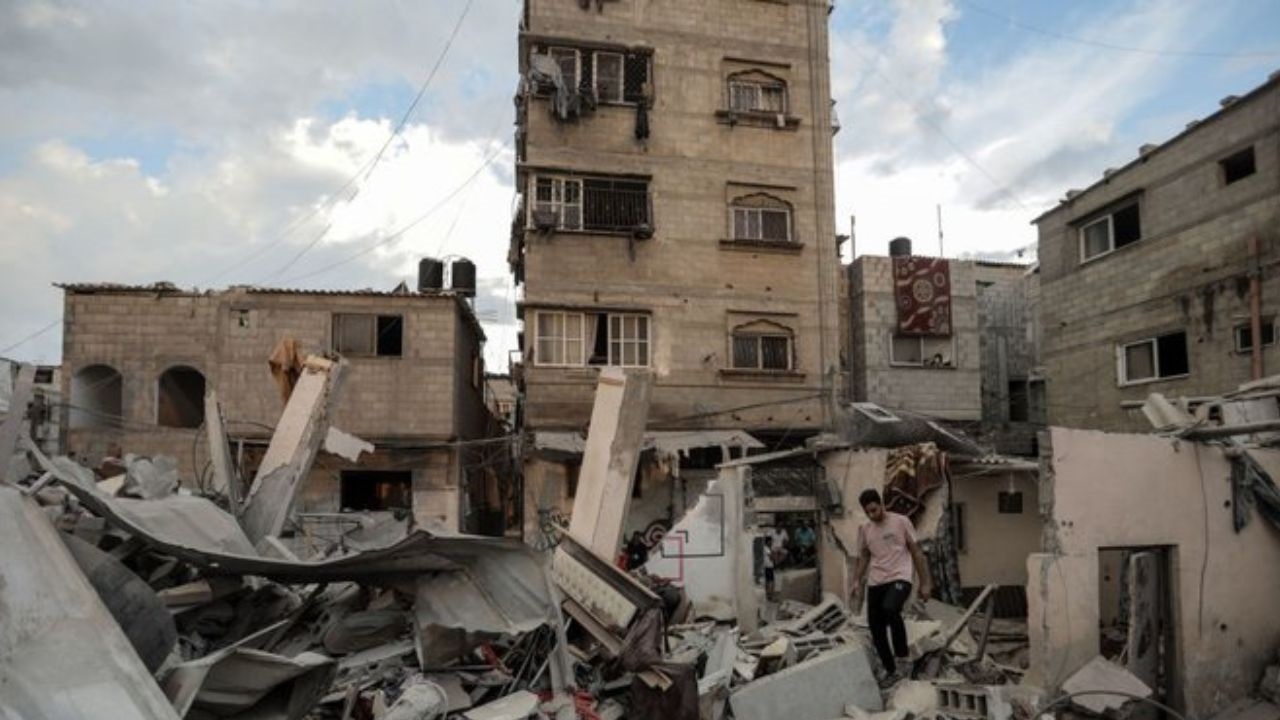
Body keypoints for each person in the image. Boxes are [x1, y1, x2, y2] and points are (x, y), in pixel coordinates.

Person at [850, 488, 932, 683]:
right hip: (876, 580)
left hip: (900, 577)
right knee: (875, 627)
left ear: (881, 504)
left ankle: (902, 657)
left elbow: (916, 552)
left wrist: (925, 583)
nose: (872, 515)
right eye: (868, 512)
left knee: (890, 609)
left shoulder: (901, 522)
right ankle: (890, 670)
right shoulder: (865, 529)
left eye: (874, 510)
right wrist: (856, 580)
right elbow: (864, 557)